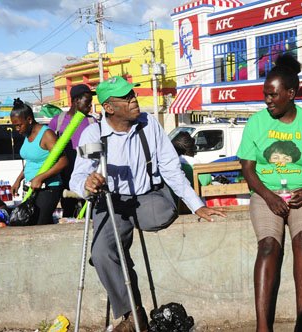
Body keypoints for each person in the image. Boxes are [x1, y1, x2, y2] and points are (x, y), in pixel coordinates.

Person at [69, 76, 226, 332]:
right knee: (100, 253)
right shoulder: (92, 133)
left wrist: (197, 205)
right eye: (126, 98)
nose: (134, 100)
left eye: (133, 94)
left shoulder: (148, 124)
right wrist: (87, 183)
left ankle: (123, 242)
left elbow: (170, 168)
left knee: (164, 213)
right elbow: (78, 176)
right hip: (111, 201)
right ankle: (132, 314)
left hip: (147, 197)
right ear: (109, 107)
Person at [237, 54, 302, 332]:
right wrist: (268, 196)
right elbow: (248, 169)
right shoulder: (257, 123)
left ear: (291, 94)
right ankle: (263, 326)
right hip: (266, 193)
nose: (268, 100)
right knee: (268, 247)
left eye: (273, 95)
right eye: (265, 95)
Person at [10, 98, 68, 225]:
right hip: (32, 188)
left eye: (19, 125)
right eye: (15, 126)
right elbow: (31, 161)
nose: (17, 129)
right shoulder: (27, 135)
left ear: (29, 120)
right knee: (29, 222)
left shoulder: (47, 135)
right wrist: (18, 180)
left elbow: (63, 161)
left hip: (48, 188)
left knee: (39, 224)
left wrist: (41, 177)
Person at [48, 84, 97, 217]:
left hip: (88, 176)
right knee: (68, 211)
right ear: (76, 101)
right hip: (65, 175)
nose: (90, 106)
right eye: (87, 102)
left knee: (90, 212)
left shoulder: (93, 122)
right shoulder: (57, 121)